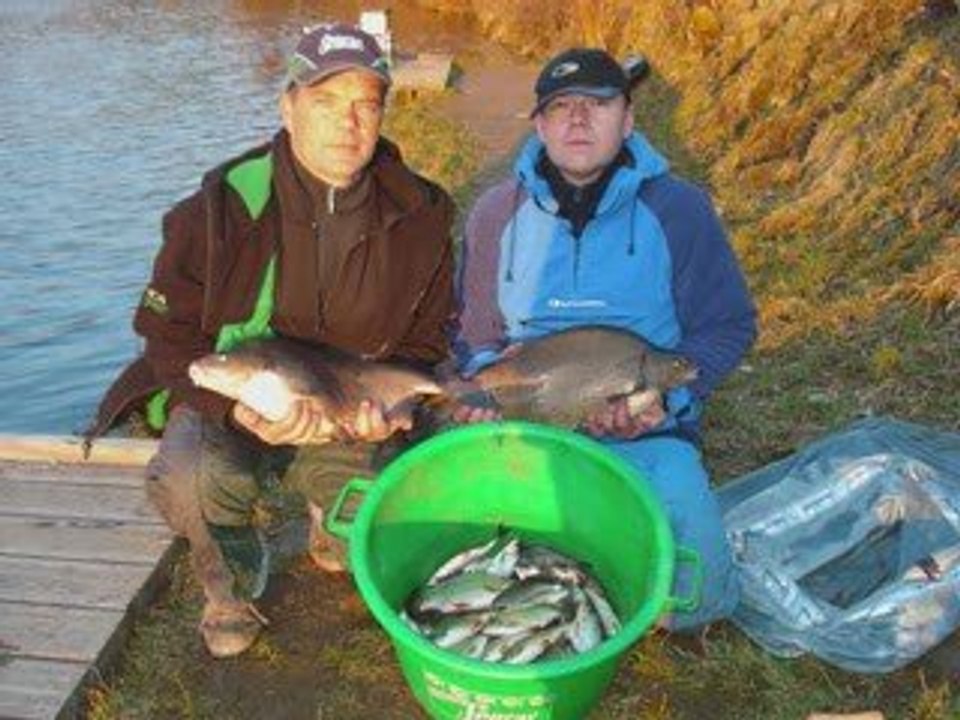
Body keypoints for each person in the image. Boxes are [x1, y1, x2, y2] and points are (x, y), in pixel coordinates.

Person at [89, 23, 456, 657]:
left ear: (382, 115)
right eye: (325, 101)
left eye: (365, 105)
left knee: (368, 527)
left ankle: (329, 519)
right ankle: (230, 586)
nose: (348, 124)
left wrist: (389, 412)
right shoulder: (219, 208)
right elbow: (167, 340)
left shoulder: (422, 214)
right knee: (190, 478)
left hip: (348, 407)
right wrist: (235, 411)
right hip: (236, 405)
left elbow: (422, 346)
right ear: (288, 106)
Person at [453, 47, 757, 631]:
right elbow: (473, 333)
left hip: (648, 434)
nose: (577, 119)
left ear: (628, 119)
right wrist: (496, 382)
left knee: (696, 605)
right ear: (539, 125)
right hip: (524, 425)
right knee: (482, 582)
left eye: (597, 104)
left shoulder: (680, 210)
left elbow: (728, 326)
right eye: (560, 106)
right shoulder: (495, 212)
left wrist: (667, 400)